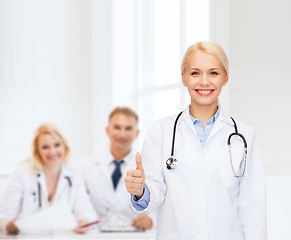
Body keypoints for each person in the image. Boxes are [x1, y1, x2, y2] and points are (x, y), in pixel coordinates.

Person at [125, 41, 267, 239]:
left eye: (213, 73)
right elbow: (154, 191)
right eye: (195, 73)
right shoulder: (161, 131)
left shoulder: (243, 135)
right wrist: (140, 191)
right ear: (183, 78)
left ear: (225, 77)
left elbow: (252, 207)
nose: (204, 82)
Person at [0, 123, 96, 235]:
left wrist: (84, 221)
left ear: (64, 146)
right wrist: (8, 224)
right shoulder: (22, 173)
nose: (52, 152)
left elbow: (86, 211)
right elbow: (3, 214)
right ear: (37, 151)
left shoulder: (74, 175)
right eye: (45, 147)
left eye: (57, 145)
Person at [80, 106, 154, 231]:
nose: (122, 134)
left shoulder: (150, 166)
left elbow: (162, 202)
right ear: (107, 130)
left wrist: (152, 220)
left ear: (137, 133)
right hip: (97, 235)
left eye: (128, 128)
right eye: (117, 128)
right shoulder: (85, 166)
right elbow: (80, 203)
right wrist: (83, 219)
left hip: (135, 235)